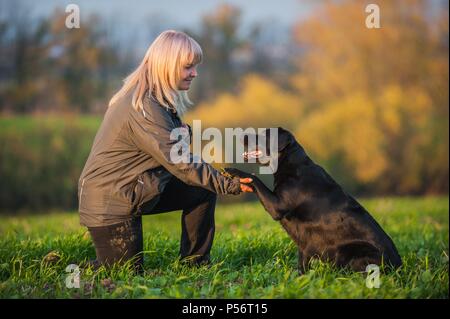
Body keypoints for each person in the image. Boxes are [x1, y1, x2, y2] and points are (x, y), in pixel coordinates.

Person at [78, 30, 253, 272]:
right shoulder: (144, 106)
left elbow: (168, 145)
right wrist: (227, 183)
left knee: (202, 189)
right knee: (124, 274)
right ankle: (71, 269)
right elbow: (180, 162)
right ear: (167, 66)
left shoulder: (155, 99)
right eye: (188, 67)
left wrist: (183, 134)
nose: (195, 73)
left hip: (133, 190)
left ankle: (195, 265)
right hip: (110, 201)